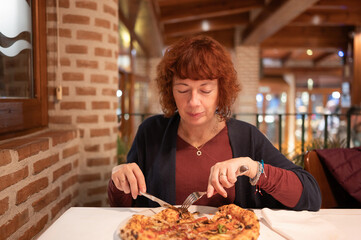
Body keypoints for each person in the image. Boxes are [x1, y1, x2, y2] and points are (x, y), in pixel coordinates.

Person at [108, 35, 321, 211]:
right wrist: (119, 181)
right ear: (170, 91)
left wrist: (254, 169)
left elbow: (311, 196)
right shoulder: (151, 131)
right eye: (182, 89)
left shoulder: (246, 137)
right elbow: (122, 207)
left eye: (205, 90)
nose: (193, 102)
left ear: (221, 92)